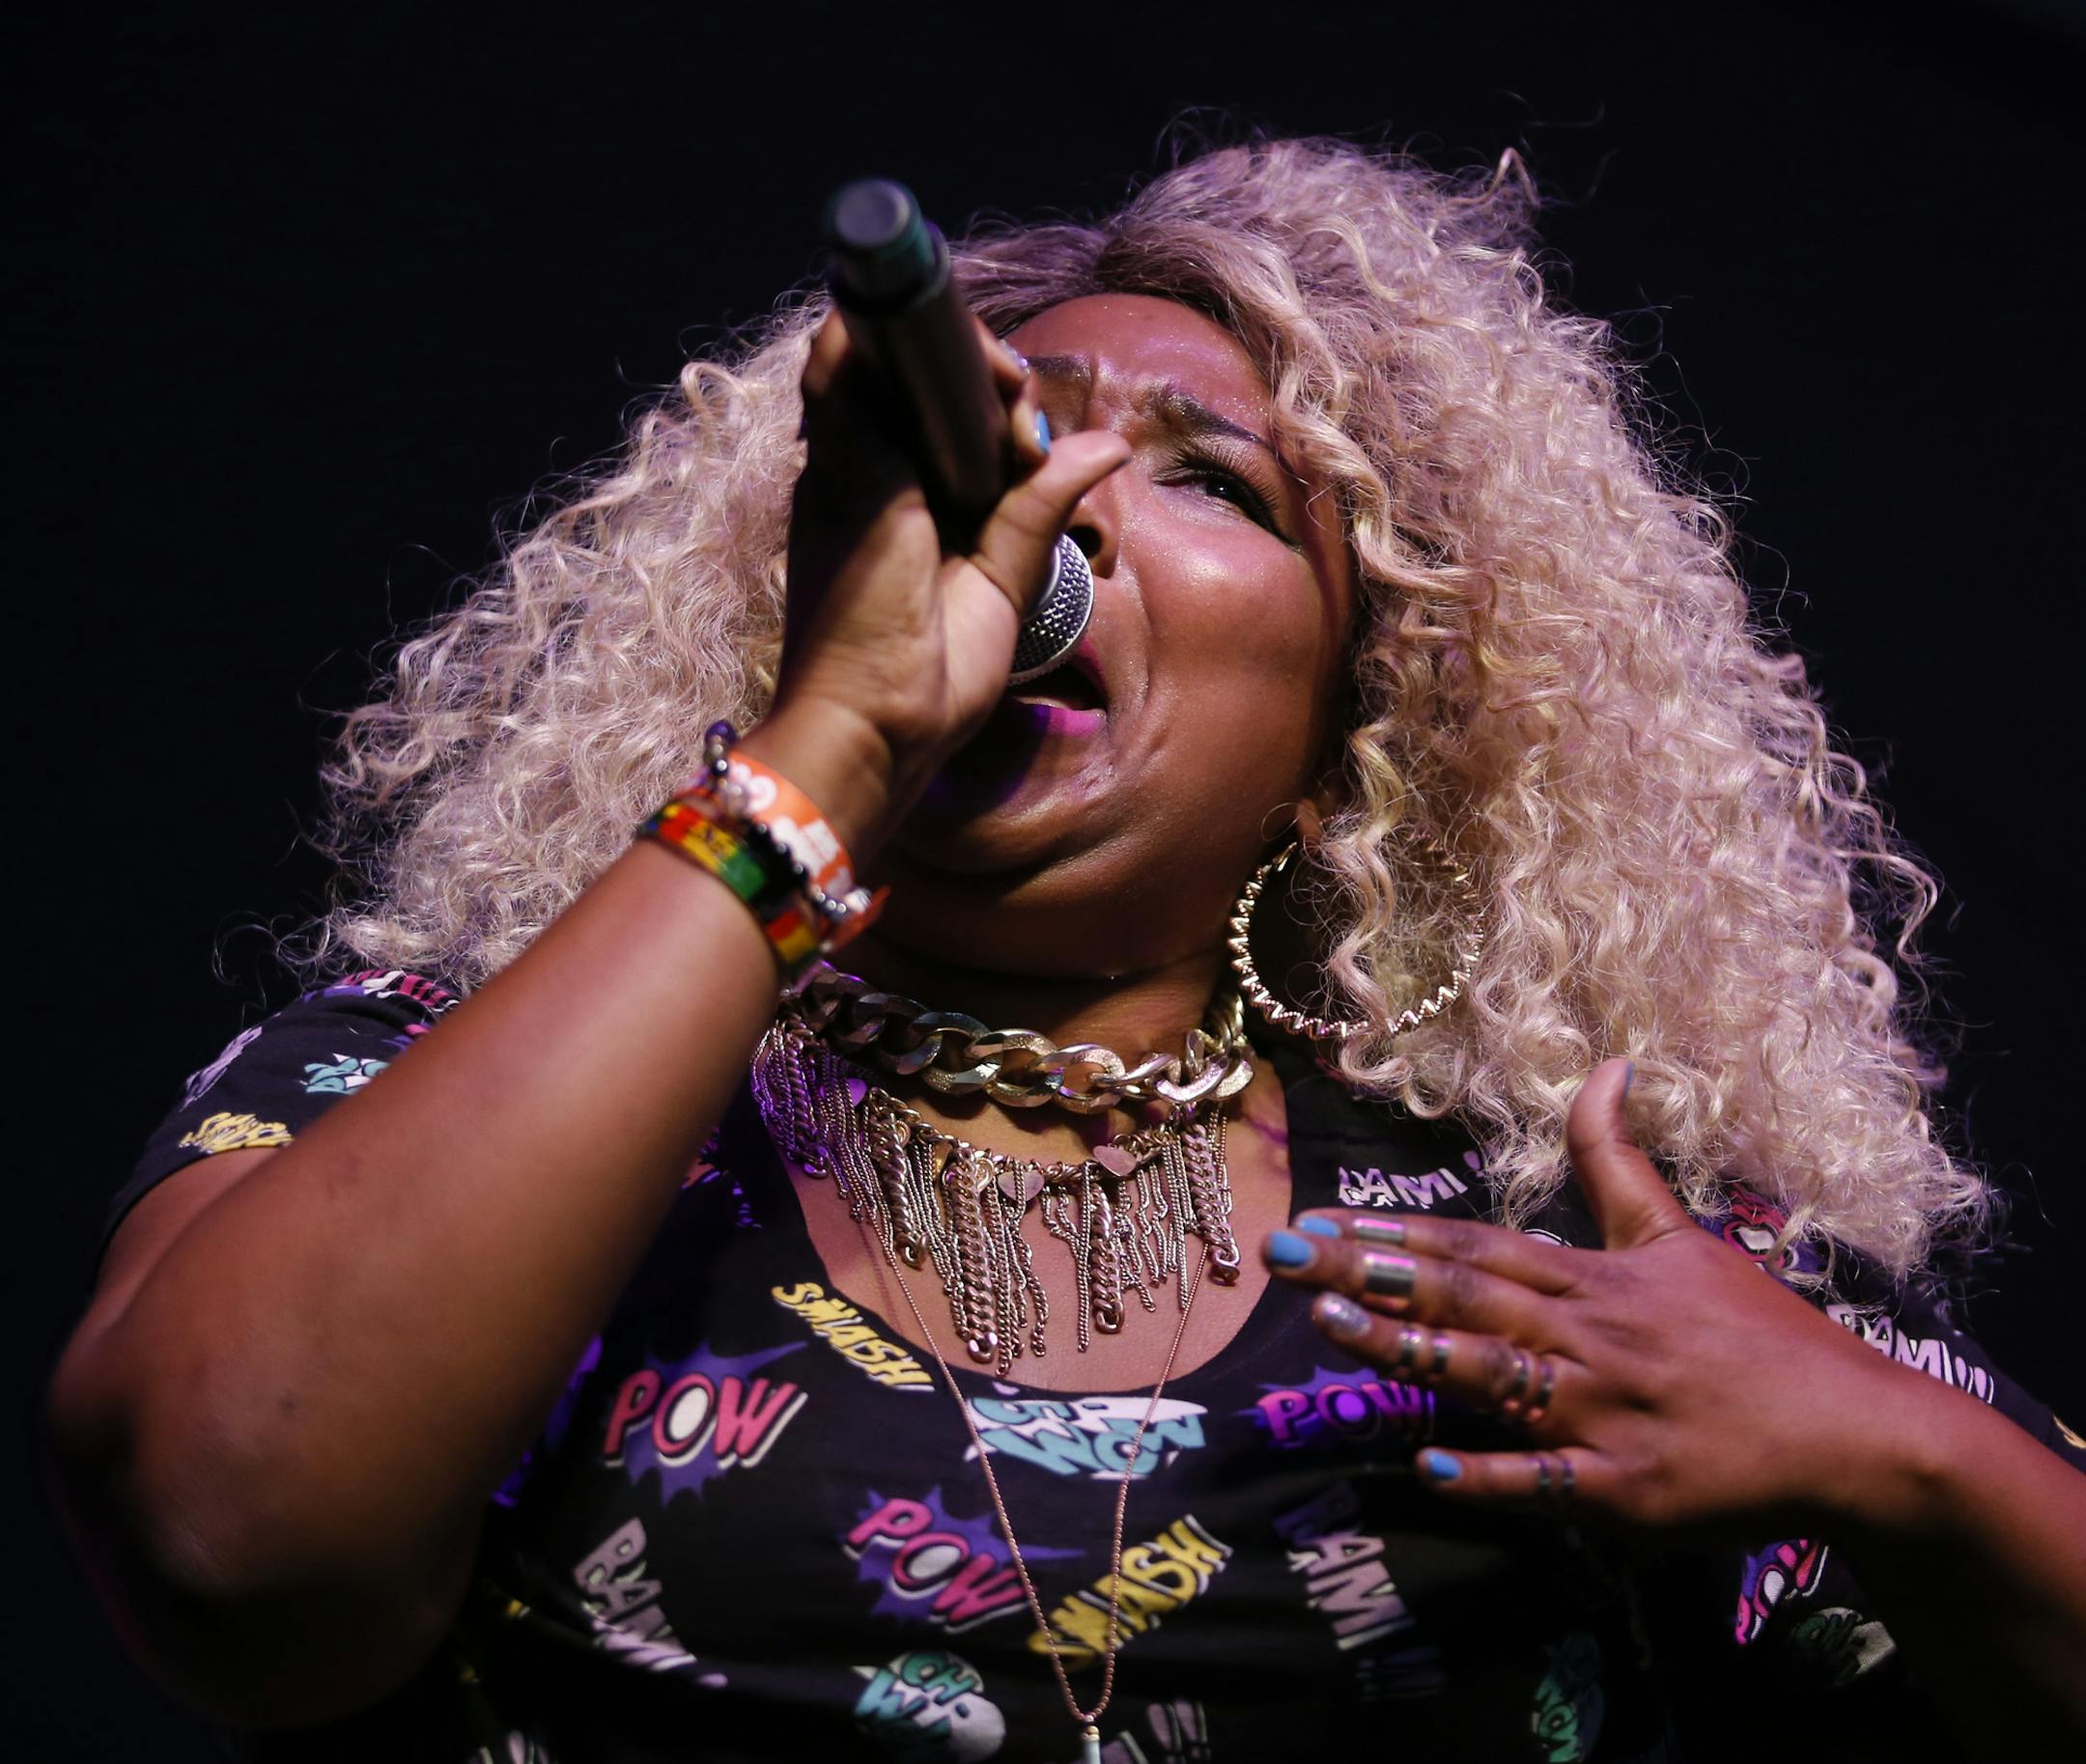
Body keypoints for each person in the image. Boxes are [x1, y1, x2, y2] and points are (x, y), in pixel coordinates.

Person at [43, 135, 2086, 1764]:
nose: (1061, 511)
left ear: (1348, 740)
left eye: (1208, 481)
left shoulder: (1557, 1239)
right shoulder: (433, 1071)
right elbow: (237, 1542)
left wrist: (1910, 1456)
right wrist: (824, 753)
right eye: (1016, 451)